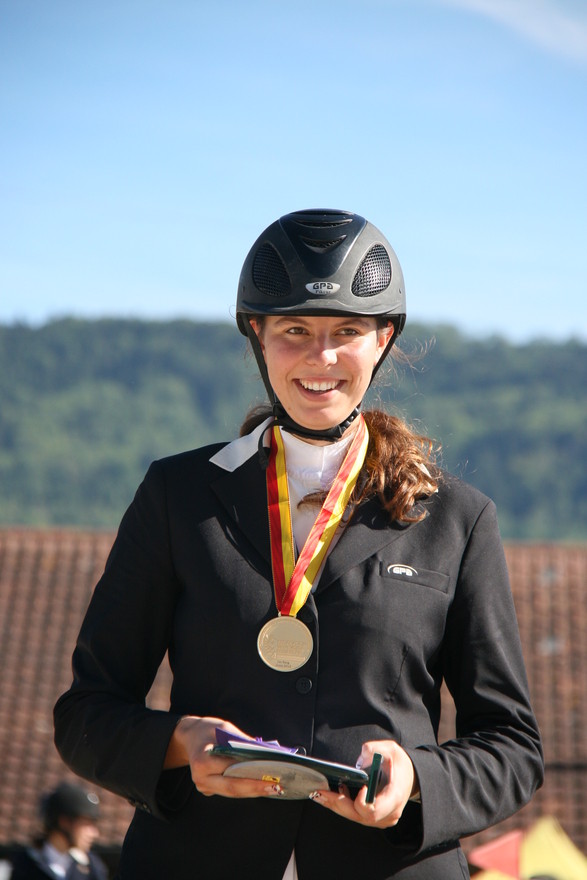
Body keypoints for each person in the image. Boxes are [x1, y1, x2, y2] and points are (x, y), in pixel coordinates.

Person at [54, 209, 543, 879]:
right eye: (294, 331)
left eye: (347, 332)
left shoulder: (458, 520)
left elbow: (512, 747)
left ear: (383, 339)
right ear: (256, 334)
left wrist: (416, 777)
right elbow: (86, 715)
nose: (322, 357)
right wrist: (179, 743)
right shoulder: (176, 496)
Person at [10, 781, 108, 880]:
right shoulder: (26, 865)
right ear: (64, 822)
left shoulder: (92, 867)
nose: (95, 833)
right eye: (86, 824)